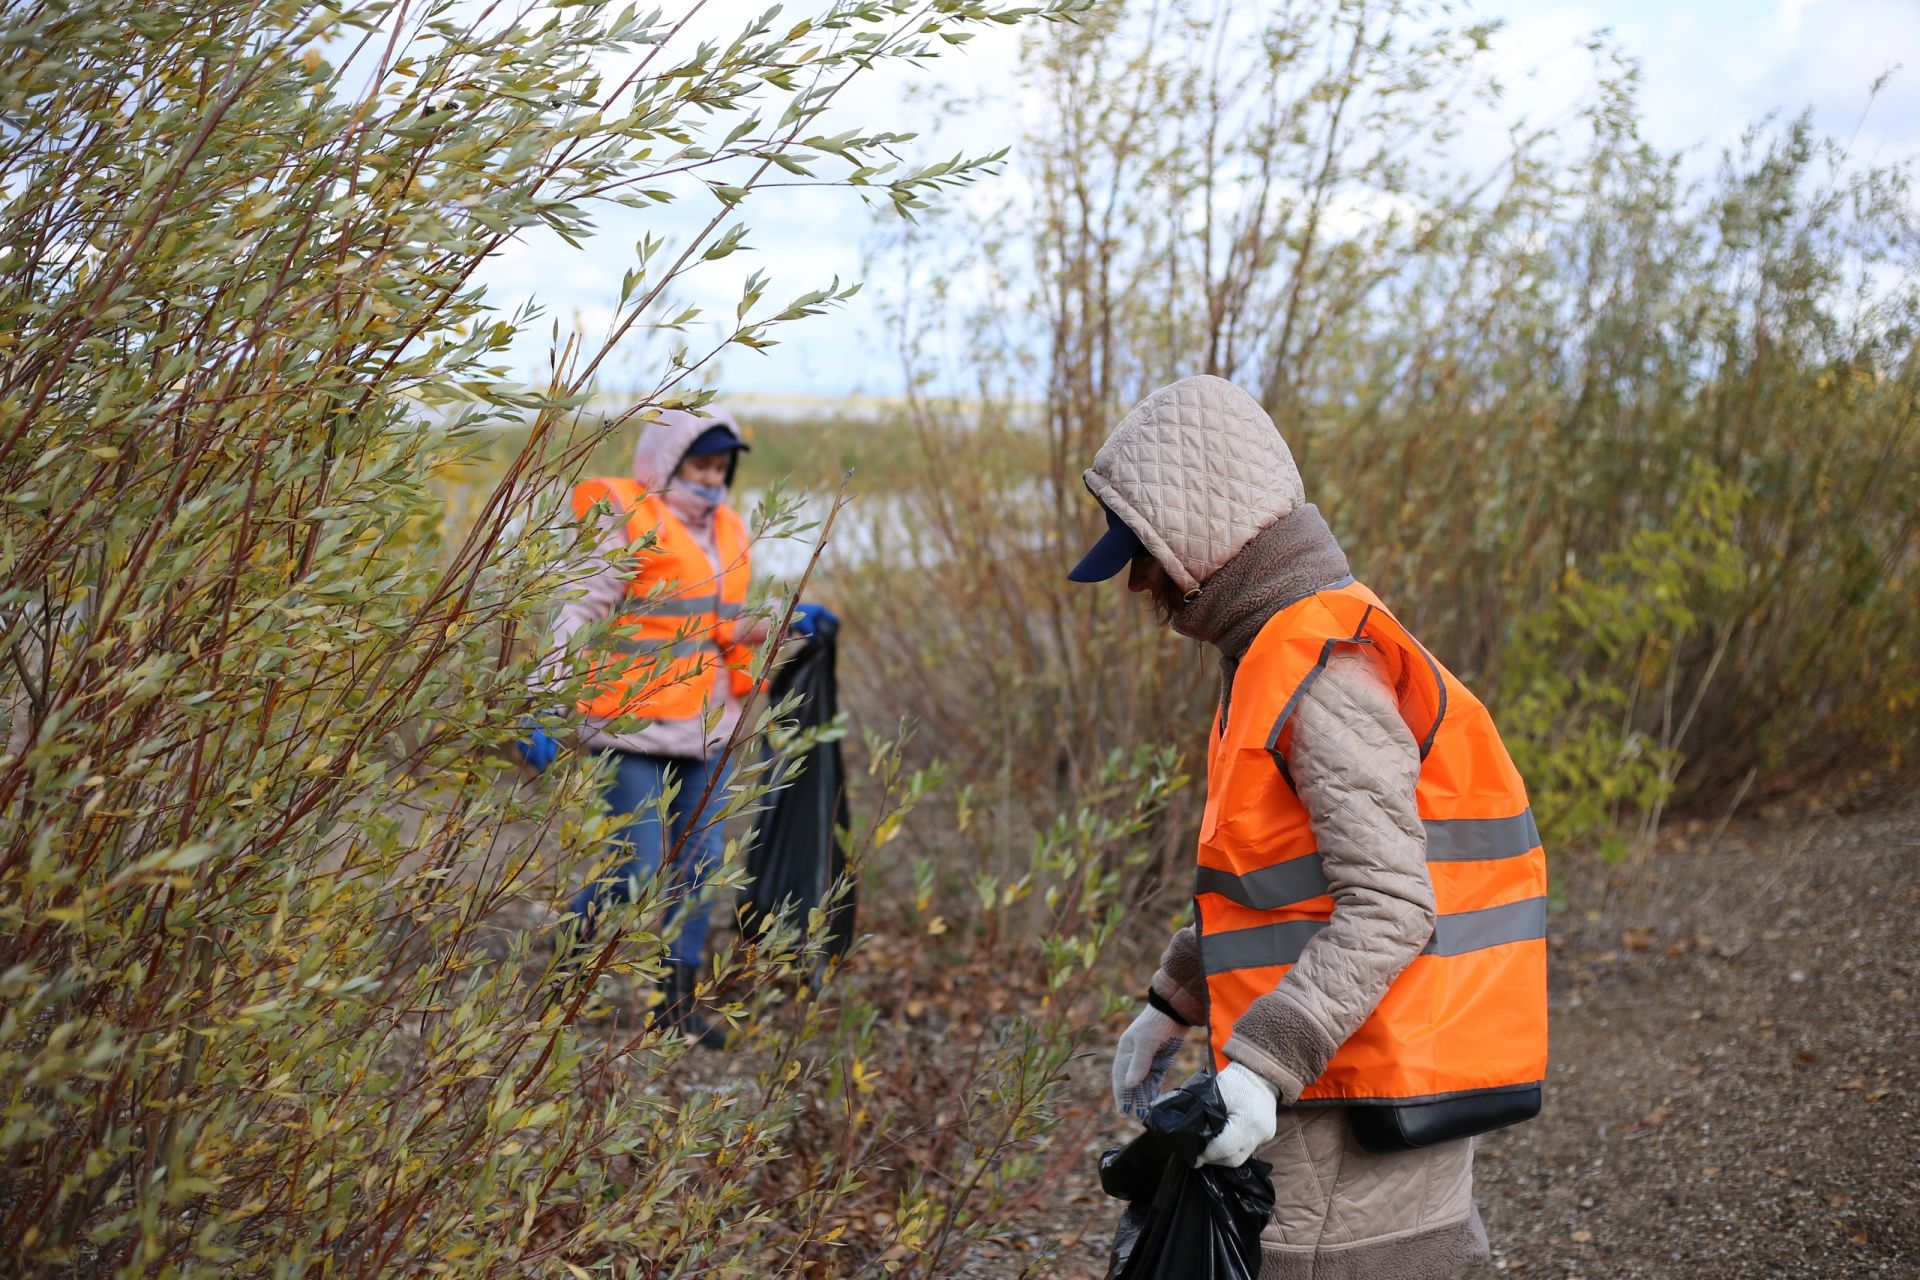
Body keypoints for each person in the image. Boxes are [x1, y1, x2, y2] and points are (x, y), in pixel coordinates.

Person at [1074, 375, 1546, 1279]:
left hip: (1349, 1104)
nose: (1138, 583)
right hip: (1331, 1073)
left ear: (1201, 539)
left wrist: (1259, 1066)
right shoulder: (1273, 652)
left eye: (1144, 556)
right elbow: (1272, 883)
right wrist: (1173, 997)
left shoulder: (1323, 674)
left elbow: (1389, 906)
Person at [519, 407, 833, 1049]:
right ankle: (562, 965)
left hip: (704, 730)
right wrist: (543, 701)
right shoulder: (625, 519)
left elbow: (725, 623)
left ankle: (675, 1003)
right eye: (701, 464)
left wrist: (789, 620)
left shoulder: (726, 529)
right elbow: (577, 610)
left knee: (701, 866)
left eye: (722, 466)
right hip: (625, 727)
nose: (712, 477)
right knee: (635, 867)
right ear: (669, 462)